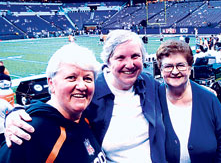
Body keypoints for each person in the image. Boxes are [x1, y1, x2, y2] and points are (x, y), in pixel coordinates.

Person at [4, 30, 166, 162]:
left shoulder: (148, 83)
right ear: (108, 61)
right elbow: (55, 107)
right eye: (120, 57)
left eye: (135, 56)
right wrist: (15, 113)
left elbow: (176, 92)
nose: (129, 64)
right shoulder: (91, 93)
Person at [0, 43, 106, 163]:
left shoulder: (86, 117)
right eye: (71, 77)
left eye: (88, 78)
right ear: (51, 83)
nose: (82, 86)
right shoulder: (28, 131)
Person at [156, 40, 221, 163]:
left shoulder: (208, 99)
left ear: (190, 67)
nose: (175, 71)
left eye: (181, 65)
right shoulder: (153, 97)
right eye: (168, 66)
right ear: (160, 69)